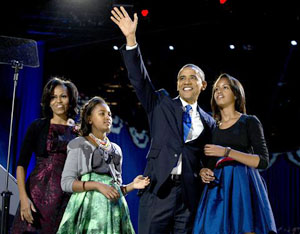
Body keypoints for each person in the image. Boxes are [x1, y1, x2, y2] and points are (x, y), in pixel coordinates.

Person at [111, 6, 215, 234]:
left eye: (193, 77)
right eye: (181, 78)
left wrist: (206, 170)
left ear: (203, 85)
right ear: (177, 84)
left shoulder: (209, 122)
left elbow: (207, 156)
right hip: (158, 191)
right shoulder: (160, 103)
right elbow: (139, 79)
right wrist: (130, 39)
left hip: (189, 197)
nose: (186, 81)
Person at [193, 73, 277, 234]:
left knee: (246, 228)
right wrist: (204, 171)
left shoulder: (250, 121)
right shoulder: (212, 128)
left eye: (225, 87)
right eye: (216, 89)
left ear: (236, 94)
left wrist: (227, 152)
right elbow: (209, 163)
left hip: (243, 182)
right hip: (218, 187)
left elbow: (263, 161)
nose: (219, 91)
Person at [56, 96, 150, 234]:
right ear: (89, 119)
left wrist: (132, 186)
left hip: (114, 212)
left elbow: (115, 190)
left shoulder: (116, 150)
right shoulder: (78, 144)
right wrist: (97, 185)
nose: (108, 117)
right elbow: (66, 183)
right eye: (102, 113)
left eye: (109, 114)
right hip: (90, 212)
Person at [11, 77, 79, 233]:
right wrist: (23, 199)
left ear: (71, 99)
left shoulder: (79, 133)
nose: (58, 101)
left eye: (63, 96)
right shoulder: (37, 126)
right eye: (53, 97)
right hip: (35, 195)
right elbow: (21, 165)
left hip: (65, 200)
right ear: (48, 101)